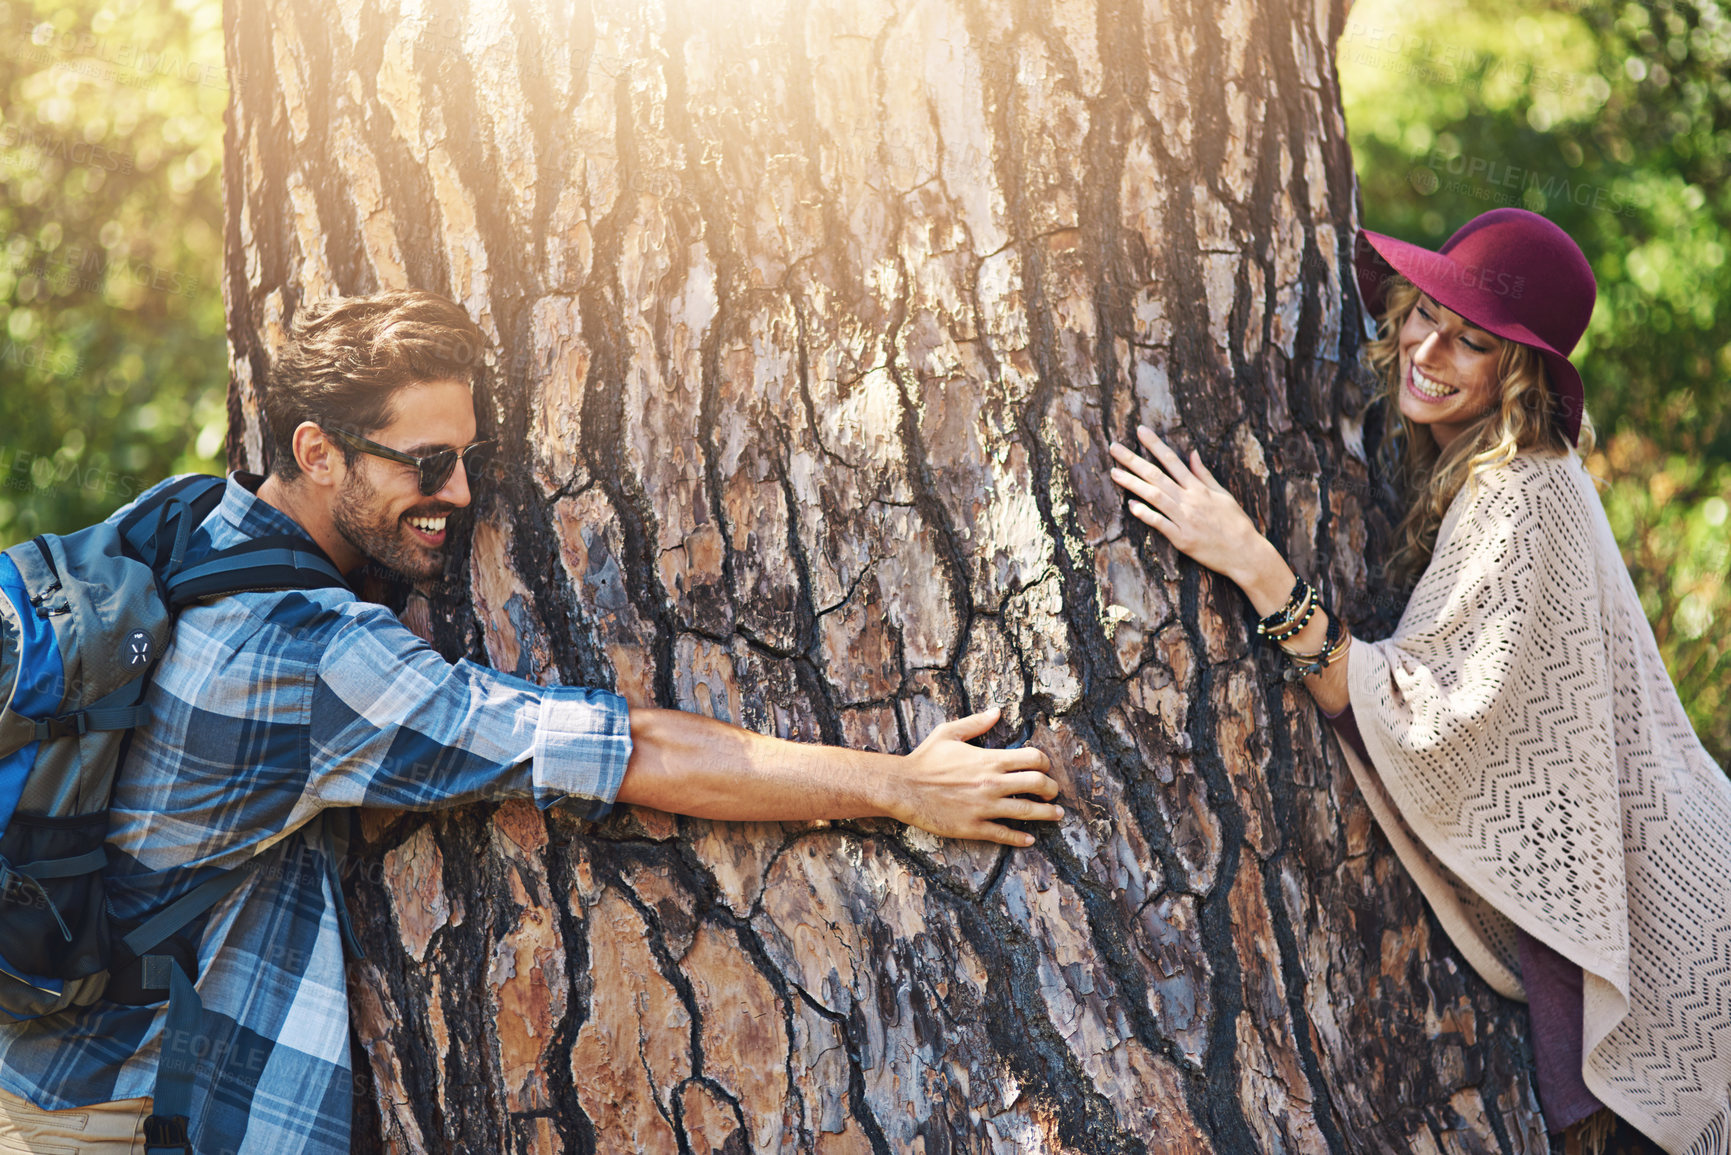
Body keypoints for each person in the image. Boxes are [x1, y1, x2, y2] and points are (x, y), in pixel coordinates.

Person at [0, 290, 1063, 1155]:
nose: (458, 491)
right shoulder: (322, 659)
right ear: (319, 451)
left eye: (466, 458)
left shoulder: (188, 519)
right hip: (79, 1106)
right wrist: (897, 788)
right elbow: (622, 748)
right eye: (426, 463)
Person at [1106, 208, 1730, 1155]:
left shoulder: (1523, 491)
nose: (1426, 348)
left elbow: (1429, 718)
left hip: (1680, 940)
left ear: (1514, 376)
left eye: (1470, 341)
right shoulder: (1477, 469)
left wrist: (1248, 558)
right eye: (1423, 313)